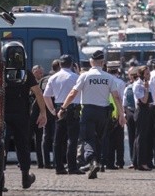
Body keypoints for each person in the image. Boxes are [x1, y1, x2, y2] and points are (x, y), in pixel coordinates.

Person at [57, 50, 126, 180]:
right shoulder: (109, 77)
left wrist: (63, 108)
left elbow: (73, 93)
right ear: (103, 63)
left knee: (88, 139)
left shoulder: (85, 76)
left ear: (91, 62)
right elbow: (116, 97)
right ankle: (97, 162)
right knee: (99, 139)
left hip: (88, 111)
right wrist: (121, 114)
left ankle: (92, 161)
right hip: (103, 113)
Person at [4, 62, 47, 189]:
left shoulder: (0, 71)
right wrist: (43, 113)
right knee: (23, 146)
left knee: (2, 146)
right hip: (21, 116)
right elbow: (38, 92)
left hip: (2, 115)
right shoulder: (26, 73)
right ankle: (25, 178)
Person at [42, 55, 84, 175]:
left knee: (58, 139)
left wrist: (52, 110)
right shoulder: (76, 77)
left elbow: (46, 95)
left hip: (59, 106)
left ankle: (59, 167)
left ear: (60, 64)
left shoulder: (53, 77)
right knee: (72, 139)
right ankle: (72, 166)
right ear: (71, 64)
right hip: (74, 107)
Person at [105, 62, 126, 170]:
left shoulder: (106, 80)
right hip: (117, 112)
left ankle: (109, 162)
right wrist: (121, 114)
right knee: (119, 140)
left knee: (108, 139)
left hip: (106, 113)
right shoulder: (120, 83)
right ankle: (120, 161)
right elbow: (120, 99)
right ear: (117, 71)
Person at [132, 65, 153, 171]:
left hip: (145, 110)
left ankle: (137, 161)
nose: (149, 75)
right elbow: (144, 100)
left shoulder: (142, 84)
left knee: (140, 136)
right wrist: (146, 89)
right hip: (141, 110)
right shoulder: (139, 85)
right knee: (141, 137)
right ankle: (141, 162)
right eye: (147, 74)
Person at [42, 59, 61, 168]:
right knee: (56, 137)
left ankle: (46, 162)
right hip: (56, 109)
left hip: (46, 109)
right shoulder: (57, 78)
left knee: (46, 136)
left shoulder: (45, 79)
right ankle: (55, 161)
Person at [123, 66, 139, 169]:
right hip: (138, 112)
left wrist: (124, 113)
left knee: (132, 137)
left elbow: (124, 103)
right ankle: (139, 159)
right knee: (140, 137)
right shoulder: (141, 86)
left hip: (130, 112)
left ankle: (134, 160)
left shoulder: (127, 88)